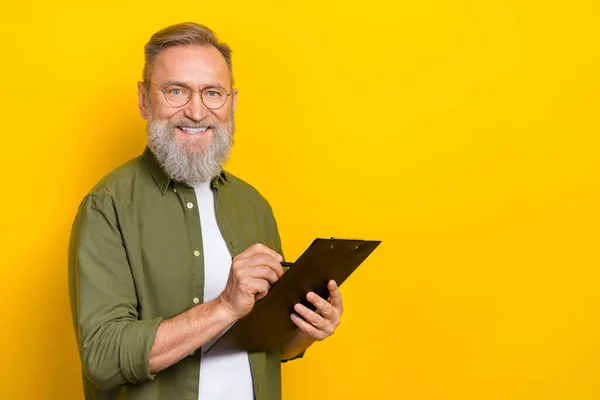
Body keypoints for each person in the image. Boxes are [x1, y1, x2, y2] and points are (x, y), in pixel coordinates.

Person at [68, 22, 343, 400]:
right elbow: (102, 358)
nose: (197, 111)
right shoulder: (108, 206)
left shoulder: (253, 204)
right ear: (145, 100)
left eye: (213, 93)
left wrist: (303, 332)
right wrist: (225, 306)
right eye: (177, 90)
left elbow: (270, 350)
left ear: (232, 102)